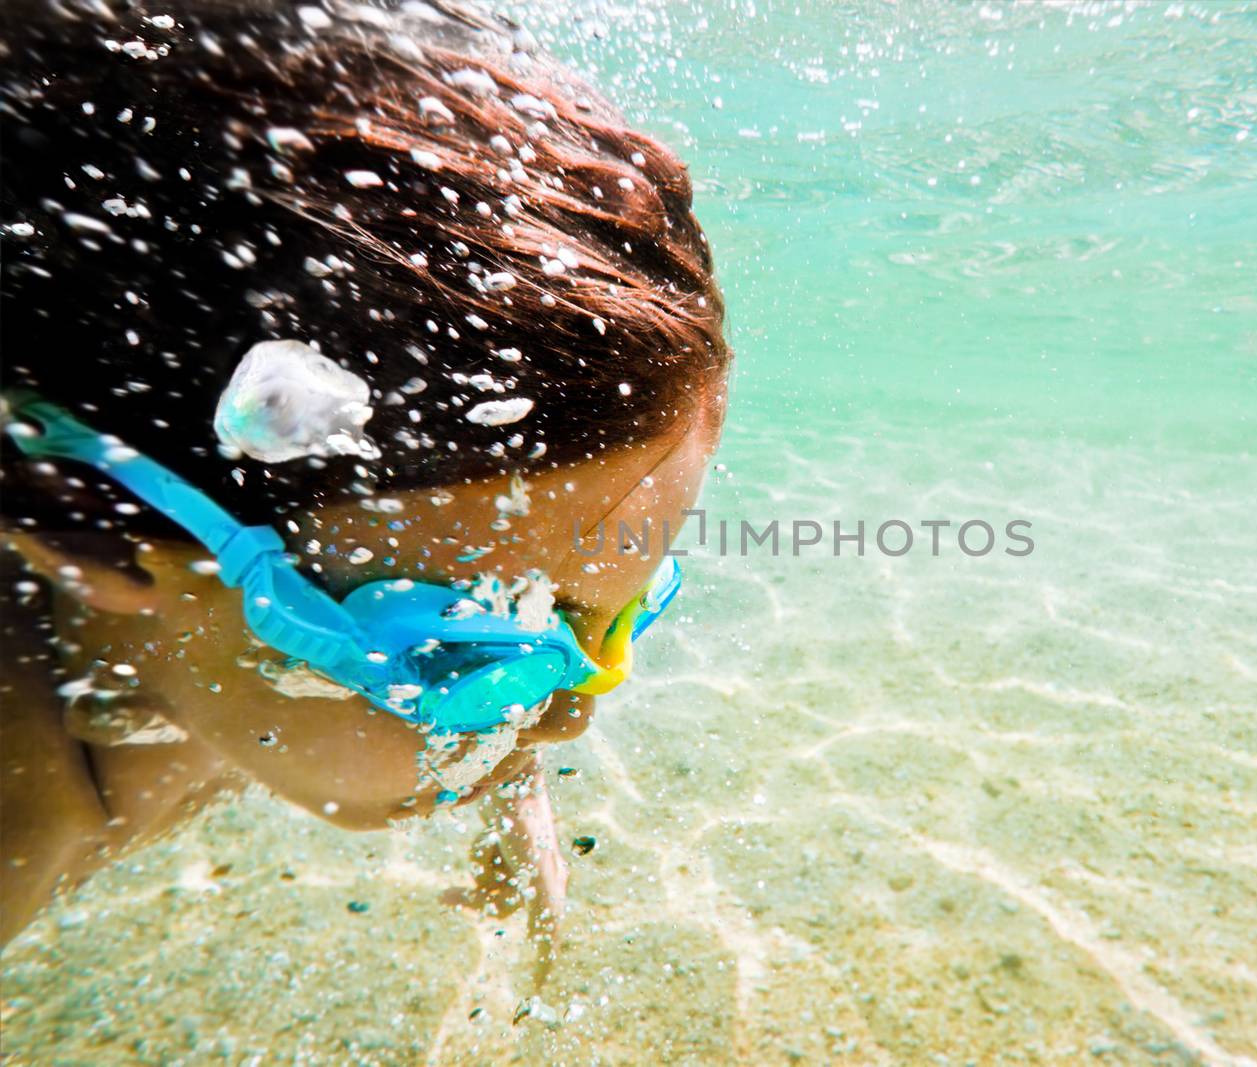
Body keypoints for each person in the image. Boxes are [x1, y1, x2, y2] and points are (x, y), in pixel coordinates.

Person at [0, 0, 729, 963]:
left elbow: (500, 603)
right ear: (89, 525)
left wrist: (504, 772)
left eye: (625, 612)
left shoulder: (215, 630)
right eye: (463, 660)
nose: (571, 716)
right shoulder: (26, 822)